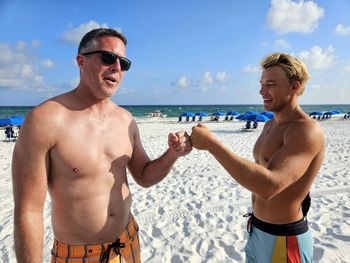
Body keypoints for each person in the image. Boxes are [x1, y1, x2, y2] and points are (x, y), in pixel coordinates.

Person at [12, 28, 192, 263]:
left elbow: (145, 177)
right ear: (81, 61)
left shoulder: (125, 119)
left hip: (128, 241)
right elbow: (29, 211)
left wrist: (172, 153)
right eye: (108, 57)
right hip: (79, 256)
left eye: (124, 63)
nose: (117, 67)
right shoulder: (44, 120)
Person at [191, 53, 324, 262]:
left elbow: (270, 186)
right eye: (261, 84)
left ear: (294, 86)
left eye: (270, 84)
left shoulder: (306, 130)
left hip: (284, 237)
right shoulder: (270, 124)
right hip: (257, 229)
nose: (262, 91)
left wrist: (211, 144)